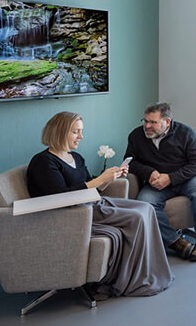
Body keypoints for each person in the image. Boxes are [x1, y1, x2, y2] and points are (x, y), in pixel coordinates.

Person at [26, 112, 174, 298]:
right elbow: (59, 198)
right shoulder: (43, 162)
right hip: (74, 214)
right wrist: (99, 181)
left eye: (81, 131)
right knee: (136, 217)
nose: (81, 136)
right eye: (76, 132)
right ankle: (131, 280)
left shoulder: (76, 157)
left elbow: (91, 188)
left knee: (146, 208)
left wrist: (108, 179)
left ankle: (153, 271)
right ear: (61, 132)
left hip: (93, 204)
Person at [125, 102, 196, 261]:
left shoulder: (186, 133)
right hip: (158, 182)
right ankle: (176, 242)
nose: (147, 126)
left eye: (153, 122)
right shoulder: (136, 136)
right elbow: (130, 161)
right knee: (145, 202)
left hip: (189, 178)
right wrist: (149, 172)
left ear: (167, 122)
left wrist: (171, 178)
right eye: (145, 121)